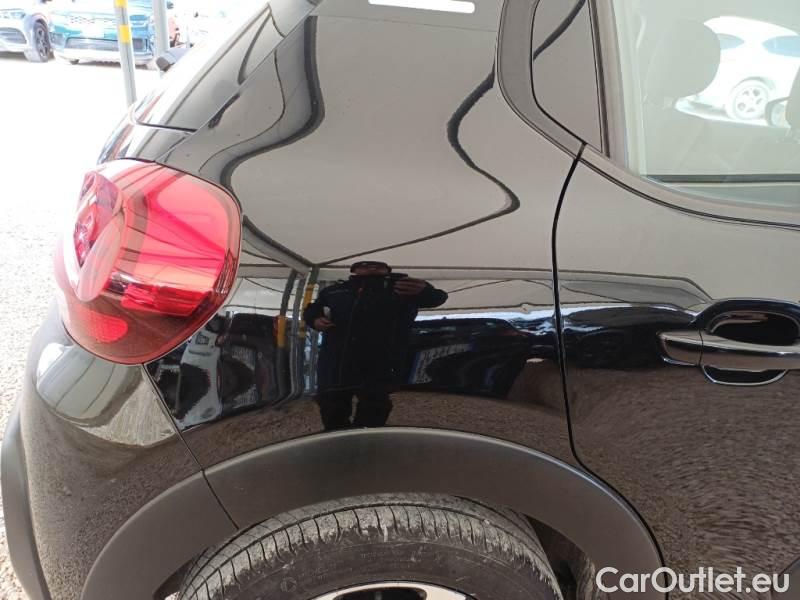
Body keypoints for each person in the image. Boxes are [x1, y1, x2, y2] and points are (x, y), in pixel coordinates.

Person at [303, 261, 448, 430]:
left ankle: (369, 438)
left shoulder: (401, 288)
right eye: (365, 265)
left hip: (381, 359)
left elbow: (437, 298)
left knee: (375, 404)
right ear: (354, 270)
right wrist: (314, 319)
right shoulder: (334, 290)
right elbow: (312, 309)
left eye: (379, 266)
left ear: (388, 270)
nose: (372, 268)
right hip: (338, 358)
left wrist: (425, 291)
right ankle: (335, 436)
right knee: (331, 403)